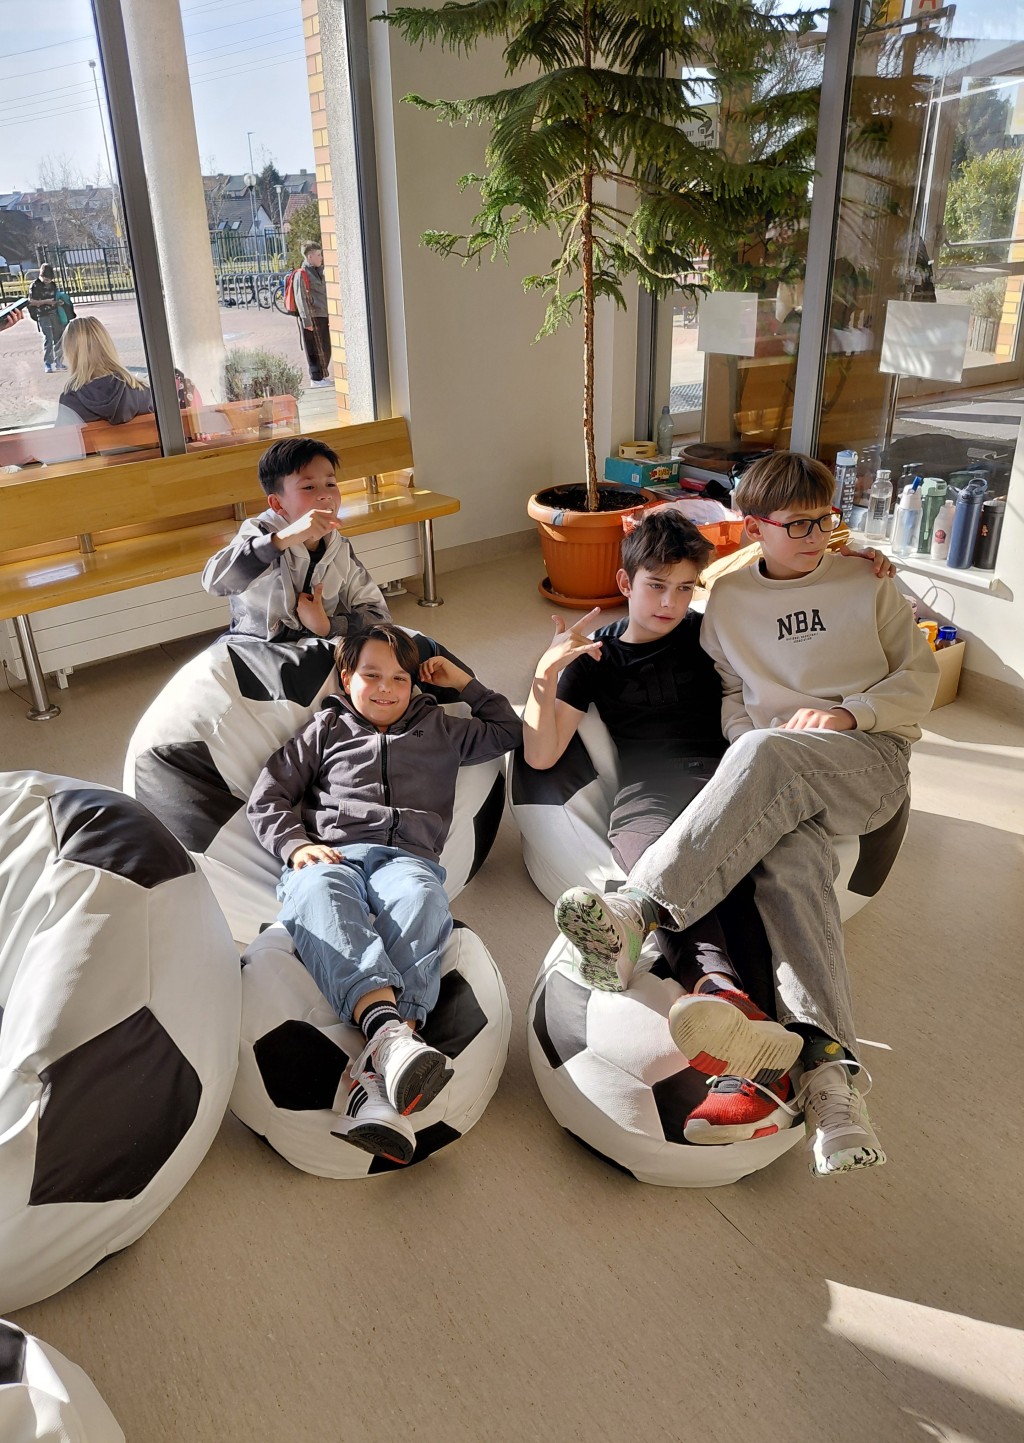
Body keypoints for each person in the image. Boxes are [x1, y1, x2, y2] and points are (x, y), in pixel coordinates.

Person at [553, 454, 939, 1177]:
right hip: (780, 774)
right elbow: (730, 693)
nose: (817, 536)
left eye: (825, 520)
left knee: (766, 751)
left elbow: (920, 679)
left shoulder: (867, 580)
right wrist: (750, 751)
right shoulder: (727, 599)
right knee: (789, 868)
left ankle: (640, 908)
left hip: (868, 760)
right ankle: (827, 1085)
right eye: (798, 525)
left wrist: (846, 714)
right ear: (755, 528)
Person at [247, 622, 521, 1163]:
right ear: (346, 678)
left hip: (407, 860)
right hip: (335, 855)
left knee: (423, 898)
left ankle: (377, 1075)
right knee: (320, 893)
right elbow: (269, 794)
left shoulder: (441, 728)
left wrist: (463, 683)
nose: (386, 688)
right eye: (371, 676)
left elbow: (507, 730)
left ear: (415, 684)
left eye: (399, 678)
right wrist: (296, 846)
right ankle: (392, 1053)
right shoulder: (325, 729)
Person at [202, 435, 391, 641]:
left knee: (404, 645)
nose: (325, 494)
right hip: (254, 648)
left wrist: (328, 626)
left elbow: (378, 615)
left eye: (330, 483)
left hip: (315, 647)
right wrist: (284, 538)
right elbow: (215, 582)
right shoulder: (260, 533)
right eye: (308, 487)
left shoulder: (338, 547)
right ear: (277, 504)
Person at [56, 316, 154, 425]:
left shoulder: (70, 402)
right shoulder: (142, 391)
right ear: (107, 345)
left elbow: (62, 434)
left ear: (71, 353)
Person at [293, 241, 332, 387]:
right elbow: (301, 299)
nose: (321, 257)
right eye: (318, 255)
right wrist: (306, 320)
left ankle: (322, 374)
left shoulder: (320, 271)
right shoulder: (301, 274)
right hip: (312, 316)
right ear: (310, 257)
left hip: (323, 315)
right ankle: (315, 378)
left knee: (325, 347)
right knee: (313, 348)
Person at [27, 263, 72, 373]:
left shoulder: (53, 285)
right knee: (48, 338)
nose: (47, 281)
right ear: (41, 275)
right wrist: (46, 302)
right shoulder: (35, 285)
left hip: (55, 313)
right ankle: (48, 363)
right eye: (45, 278)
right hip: (43, 315)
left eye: (49, 279)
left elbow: (55, 296)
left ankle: (59, 361)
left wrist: (59, 302)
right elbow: (31, 302)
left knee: (59, 338)